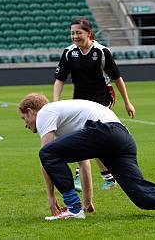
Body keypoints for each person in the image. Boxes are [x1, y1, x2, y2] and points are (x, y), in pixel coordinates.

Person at [18, 93, 155, 220]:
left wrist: (52, 197)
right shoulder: (66, 122)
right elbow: (84, 162)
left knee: (47, 152)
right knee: (142, 196)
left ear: (30, 111)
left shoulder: (45, 112)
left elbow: (46, 157)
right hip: (121, 138)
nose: (25, 124)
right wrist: (87, 202)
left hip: (104, 132)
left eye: (24, 118)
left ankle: (71, 208)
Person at [53, 17, 135, 194]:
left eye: (78, 33)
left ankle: (84, 174)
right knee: (85, 135)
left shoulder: (102, 51)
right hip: (80, 99)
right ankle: (107, 176)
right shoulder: (69, 53)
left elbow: (117, 78)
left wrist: (127, 102)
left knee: (91, 133)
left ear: (88, 33)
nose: (75, 36)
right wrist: (56, 102)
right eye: (72, 33)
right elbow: (59, 79)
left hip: (103, 97)